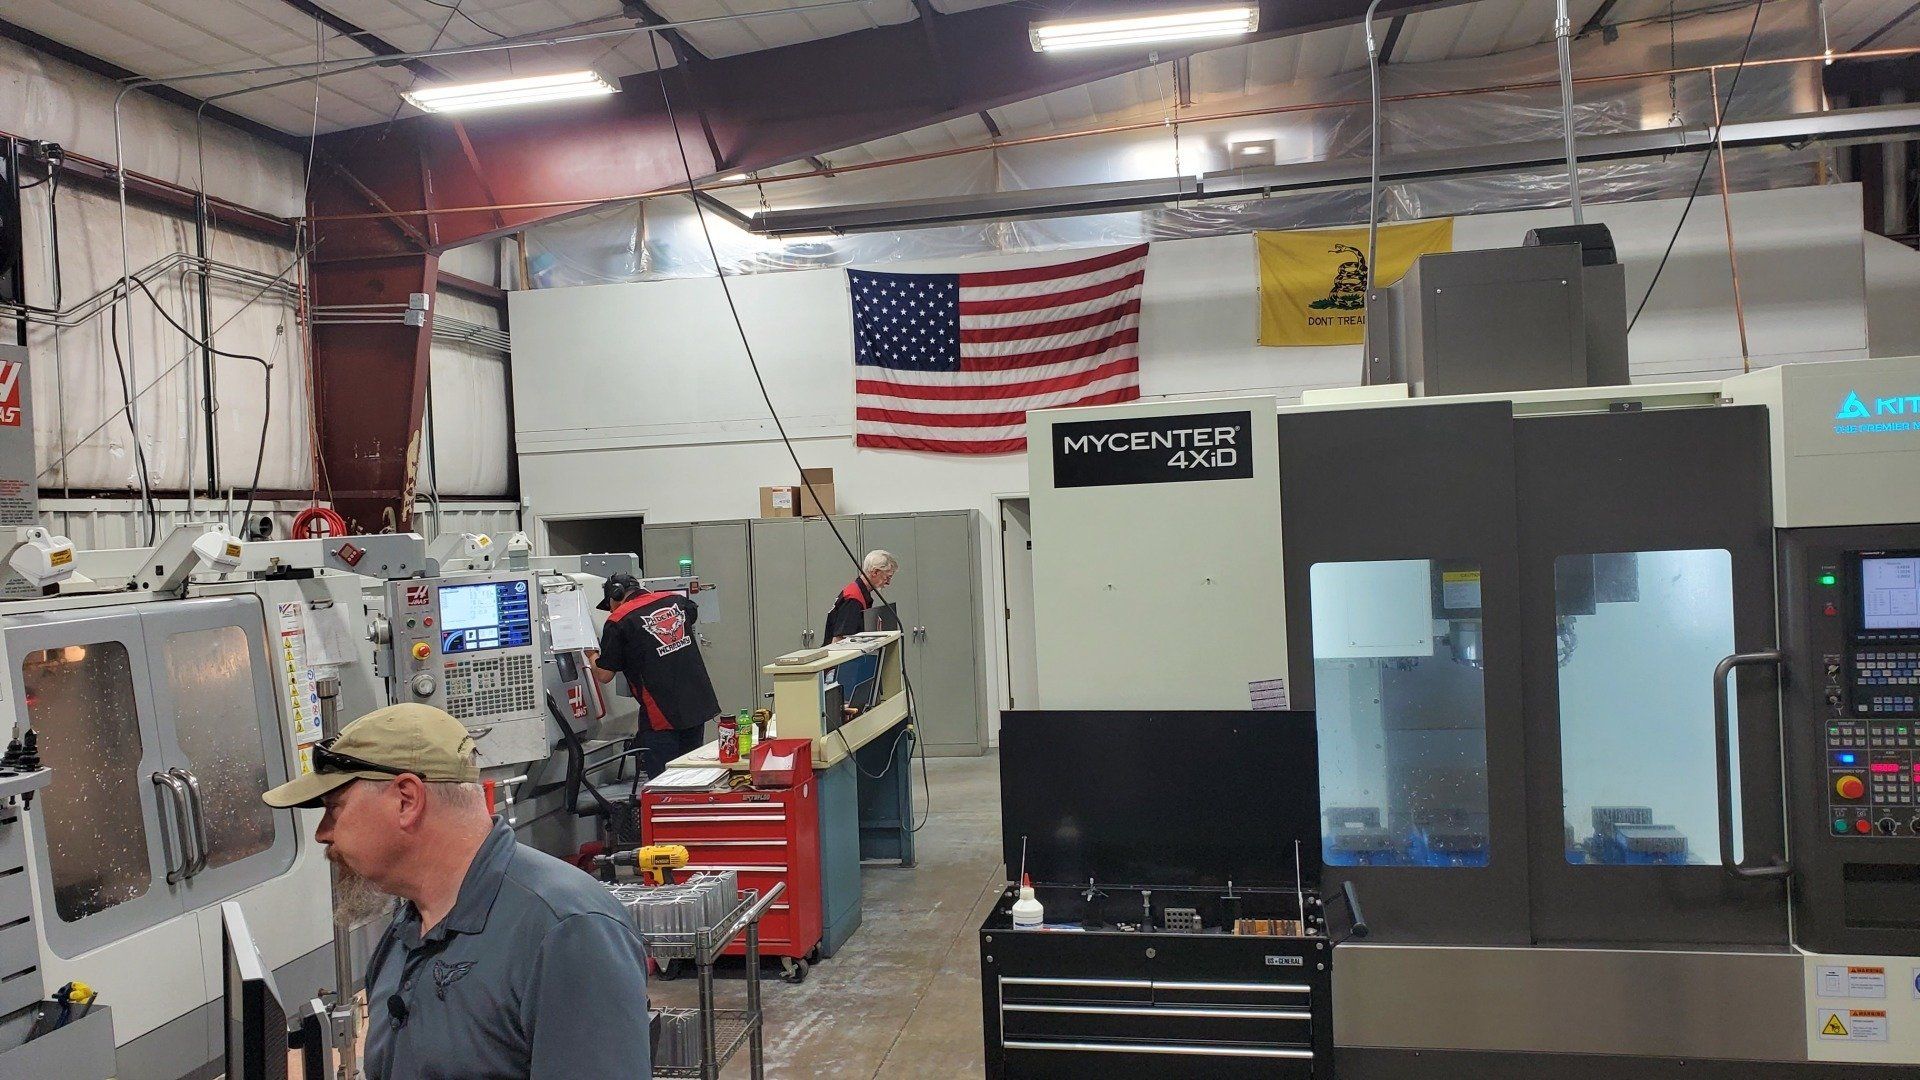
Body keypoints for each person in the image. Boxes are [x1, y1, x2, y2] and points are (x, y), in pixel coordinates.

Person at [260, 703, 651, 1080]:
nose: (322, 833)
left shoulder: (566, 931)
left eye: (334, 806)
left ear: (406, 800)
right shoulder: (409, 927)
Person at [591, 571, 722, 776]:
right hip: (696, 705)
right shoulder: (676, 601)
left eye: (610, 605)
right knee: (693, 774)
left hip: (662, 714)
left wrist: (590, 653)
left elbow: (604, 675)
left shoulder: (619, 621)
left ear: (615, 595)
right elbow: (692, 616)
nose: (610, 611)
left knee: (664, 781)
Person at [825, 549, 899, 643]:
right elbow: (839, 640)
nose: (888, 582)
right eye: (887, 577)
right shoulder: (853, 598)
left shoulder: (858, 592)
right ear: (875, 572)